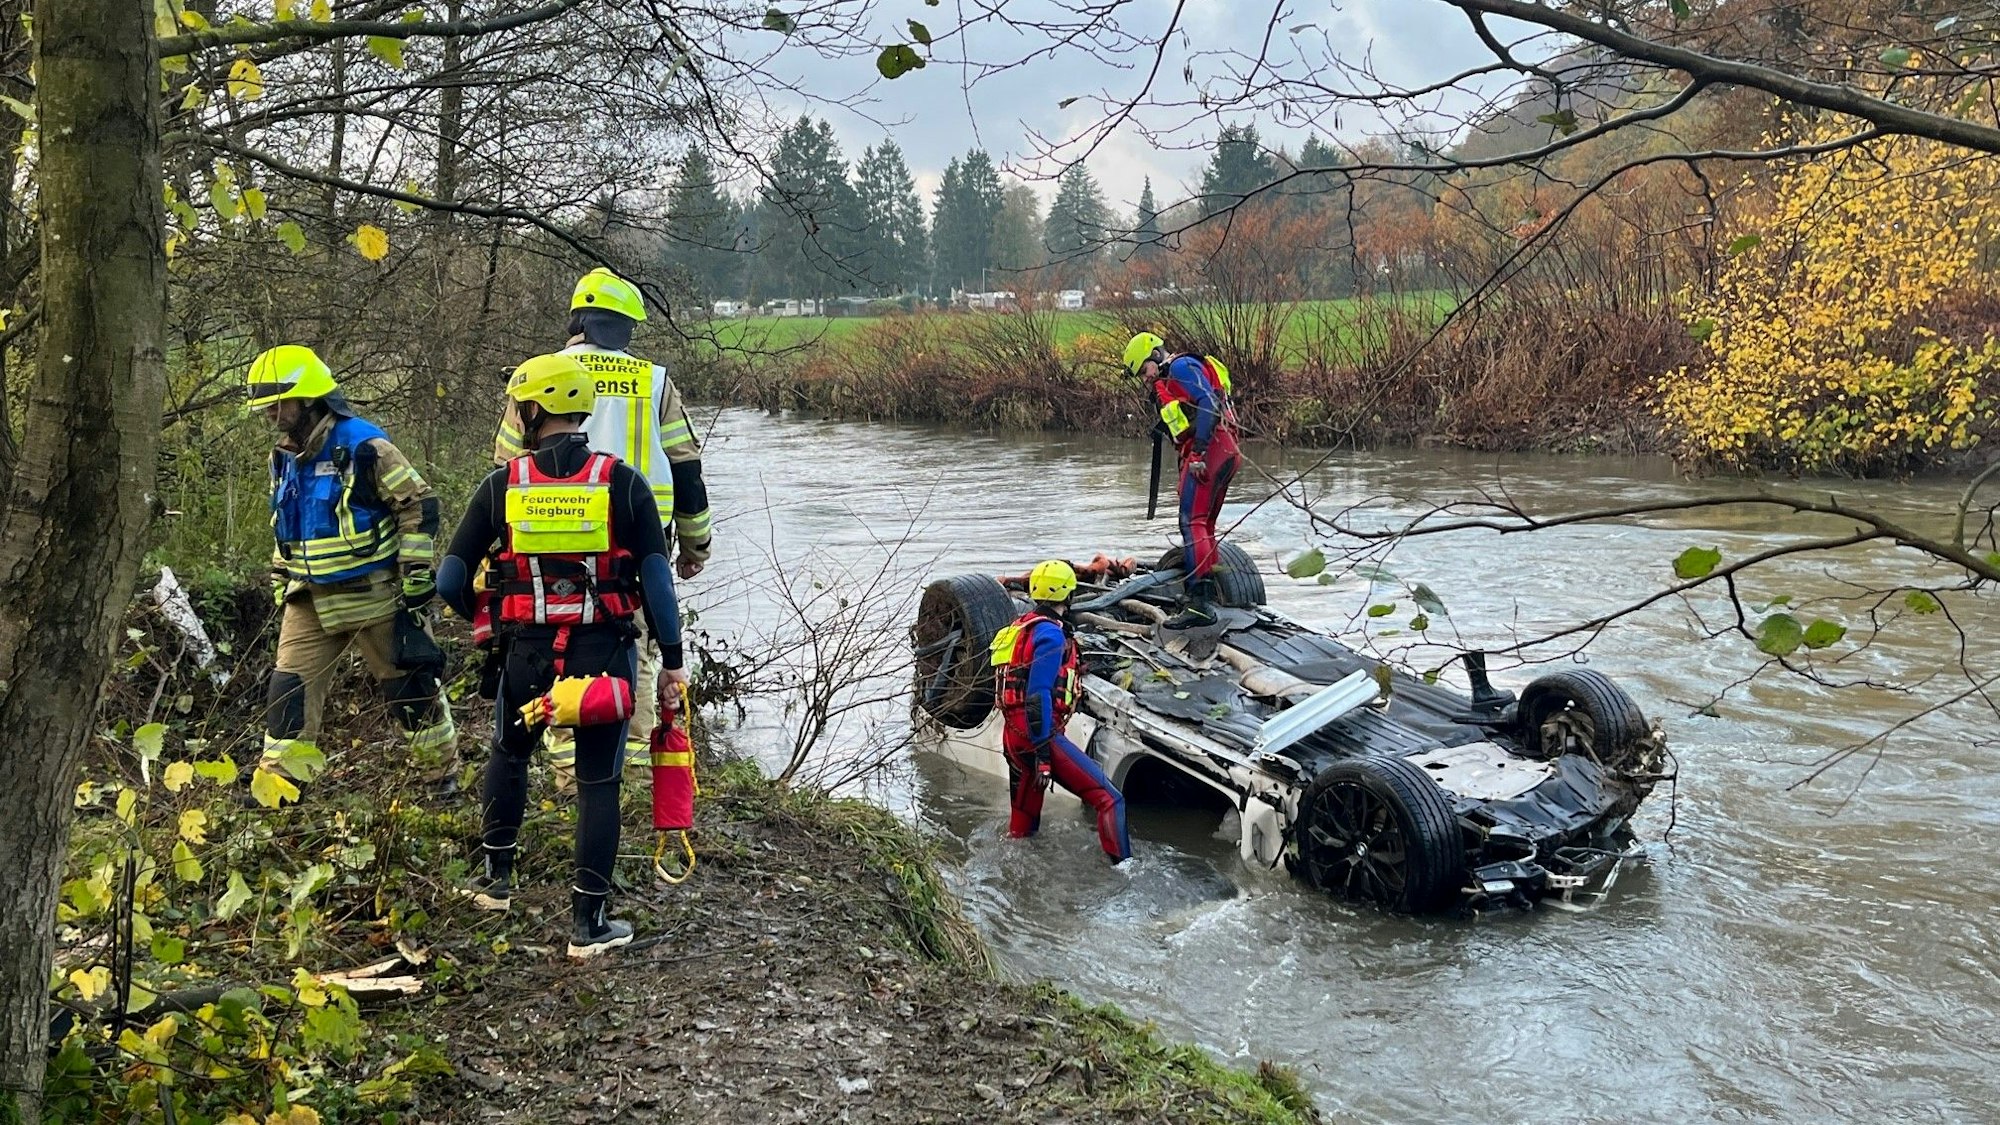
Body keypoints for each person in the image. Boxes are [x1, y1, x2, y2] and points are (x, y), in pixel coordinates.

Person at [441, 352, 688, 959]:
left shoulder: (502, 486)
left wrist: (488, 618)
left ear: (532, 410)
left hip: (524, 655)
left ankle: (496, 882)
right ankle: (589, 924)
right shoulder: (624, 483)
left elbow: (449, 579)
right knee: (598, 781)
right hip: (604, 655)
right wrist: (674, 663)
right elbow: (657, 584)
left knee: (509, 751)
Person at [492, 267, 713, 782]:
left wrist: (500, 551)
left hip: (545, 540)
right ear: (626, 328)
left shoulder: (534, 374)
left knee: (555, 641)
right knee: (630, 652)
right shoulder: (653, 381)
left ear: (577, 320)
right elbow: (686, 469)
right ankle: (623, 779)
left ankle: (569, 768)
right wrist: (696, 545)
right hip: (637, 543)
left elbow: (503, 467)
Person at [248, 344, 457, 800]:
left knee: (410, 692)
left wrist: (417, 572)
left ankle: (440, 783)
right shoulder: (282, 457)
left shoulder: (365, 446)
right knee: (288, 693)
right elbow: (288, 522)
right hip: (308, 600)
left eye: (276, 403)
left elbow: (418, 505)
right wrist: (282, 575)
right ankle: (278, 788)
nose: (269, 414)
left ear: (308, 399)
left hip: (375, 594)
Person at [991, 560, 1130, 863]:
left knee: (1022, 828)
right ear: (1068, 594)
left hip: (1012, 737)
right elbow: (1038, 693)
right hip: (1038, 736)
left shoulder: (1016, 629)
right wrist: (1043, 754)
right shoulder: (1051, 635)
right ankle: (1126, 874)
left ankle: (1015, 871)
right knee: (1110, 800)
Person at [1123, 332, 1240, 629]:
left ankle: (1199, 604)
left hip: (1211, 449)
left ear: (1155, 356)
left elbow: (1208, 402)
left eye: (1144, 370)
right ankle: (1209, 595)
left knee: (1192, 523)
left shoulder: (1180, 368)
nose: (1145, 378)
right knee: (1204, 524)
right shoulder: (1175, 376)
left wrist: (1199, 452)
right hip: (1223, 448)